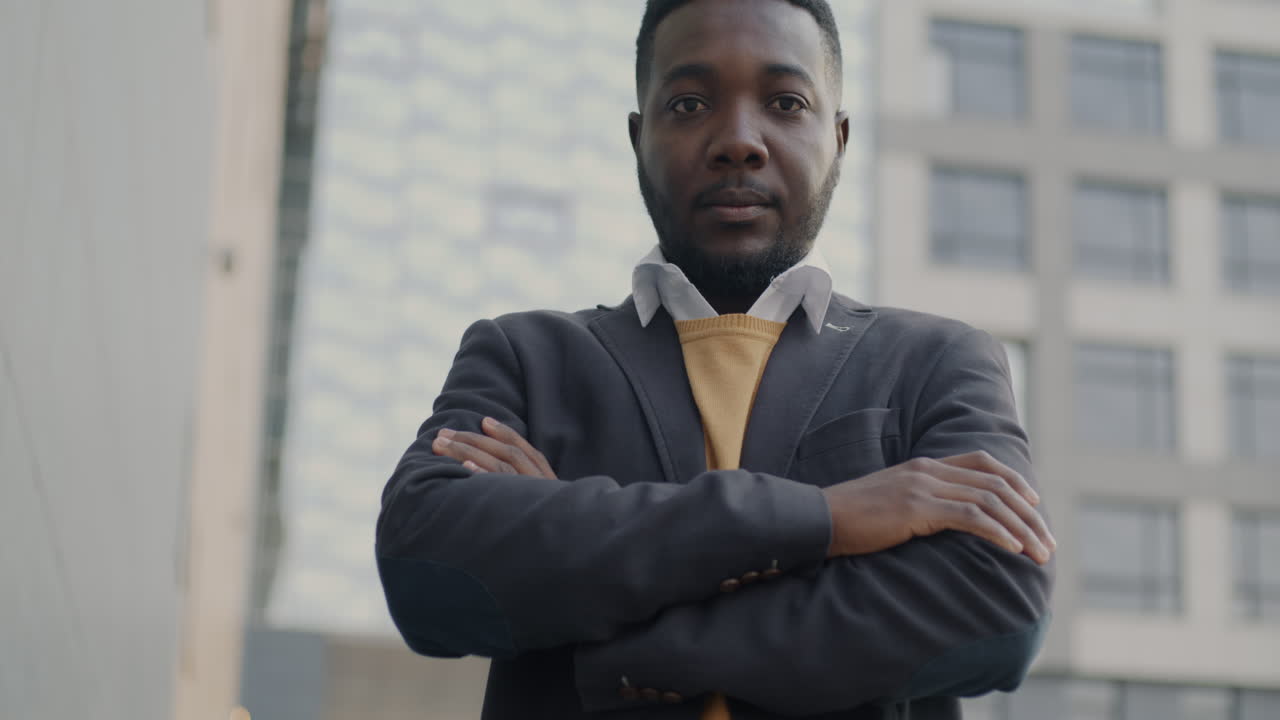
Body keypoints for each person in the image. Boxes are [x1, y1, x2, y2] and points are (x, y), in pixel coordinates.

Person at [375, 0, 1056, 718]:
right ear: (639, 138)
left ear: (839, 138)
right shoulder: (527, 360)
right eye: (690, 103)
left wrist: (619, 635)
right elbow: (428, 570)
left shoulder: (935, 363)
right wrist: (826, 519)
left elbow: (999, 603)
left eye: (785, 103)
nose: (738, 141)